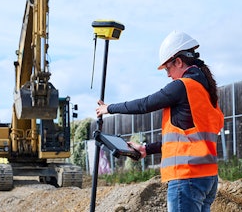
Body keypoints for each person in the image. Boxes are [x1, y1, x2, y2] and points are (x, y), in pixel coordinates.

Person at [95, 30, 224, 212]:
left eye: (168, 68)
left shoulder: (182, 87)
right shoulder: (207, 93)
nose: (168, 75)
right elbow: (185, 141)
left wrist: (109, 108)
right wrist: (147, 149)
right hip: (207, 178)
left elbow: (145, 104)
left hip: (186, 178)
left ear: (178, 61)